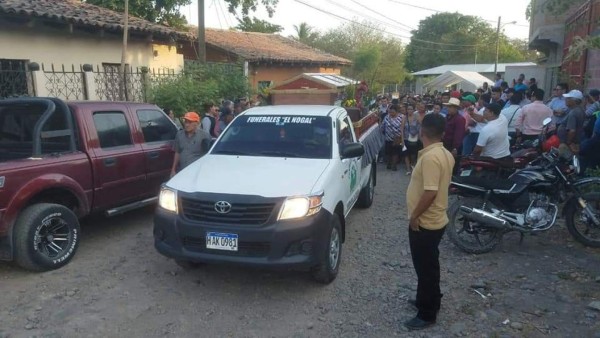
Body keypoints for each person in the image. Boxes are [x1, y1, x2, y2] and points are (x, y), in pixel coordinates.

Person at [404, 113, 454, 331]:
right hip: (435, 220)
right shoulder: (444, 153)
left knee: (425, 268)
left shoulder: (431, 158)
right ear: (442, 133)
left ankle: (427, 313)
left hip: (426, 222)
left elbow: (431, 192)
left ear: (422, 131)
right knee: (428, 265)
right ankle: (428, 298)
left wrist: (414, 216)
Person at [170, 112, 211, 177]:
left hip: (197, 172)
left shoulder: (204, 136)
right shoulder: (179, 135)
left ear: (196, 123)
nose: (186, 125)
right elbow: (177, 152)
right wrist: (173, 169)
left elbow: (208, 156)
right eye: (186, 122)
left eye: (189, 122)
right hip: (182, 171)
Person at [558, 89, 586, 155]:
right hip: (575, 142)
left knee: (563, 162)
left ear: (574, 100)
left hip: (568, 145)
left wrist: (568, 142)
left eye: (568, 98)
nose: (566, 100)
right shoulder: (580, 110)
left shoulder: (573, 113)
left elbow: (572, 131)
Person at [381, 104, 405, 171]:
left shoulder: (401, 117)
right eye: (390, 112)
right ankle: (389, 163)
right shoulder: (386, 117)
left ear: (397, 111)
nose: (391, 113)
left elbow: (402, 128)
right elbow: (382, 126)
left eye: (393, 112)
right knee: (388, 152)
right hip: (388, 138)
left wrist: (402, 139)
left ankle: (394, 165)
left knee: (395, 152)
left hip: (397, 138)